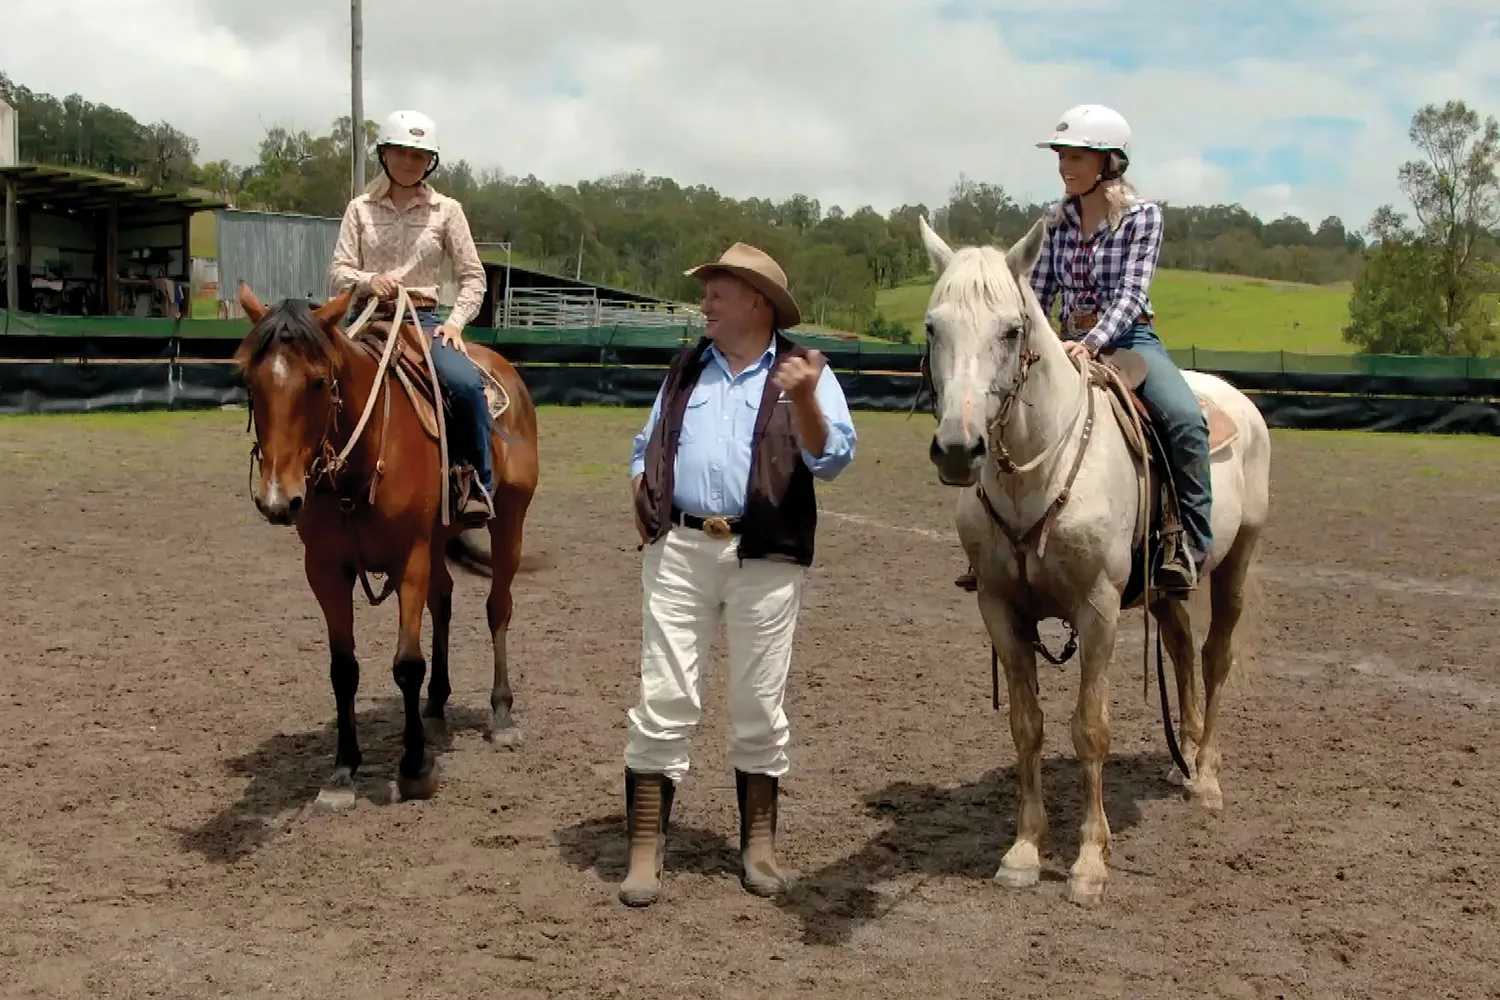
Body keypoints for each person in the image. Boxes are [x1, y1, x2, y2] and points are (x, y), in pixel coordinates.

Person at [618, 242, 857, 907]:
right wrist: (642, 488)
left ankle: (759, 845)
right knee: (663, 695)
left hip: (767, 553)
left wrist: (805, 400)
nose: (705, 306)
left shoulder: (804, 370)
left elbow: (832, 458)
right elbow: (646, 443)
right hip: (679, 548)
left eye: (716, 295)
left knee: (758, 702)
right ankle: (644, 851)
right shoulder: (686, 368)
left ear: (756, 301)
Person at [954, 103, 1211, 595]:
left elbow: (1132, 295)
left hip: (1130, 341)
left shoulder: (1143, 219)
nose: (1065, 167)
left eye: (1076, 157)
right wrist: (1035, 341)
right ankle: (987, 545)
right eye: (1062, 157)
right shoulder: (1054, 222)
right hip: (1064, 343)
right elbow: (1039, 293)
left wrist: (1089, 344)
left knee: (1184, 419)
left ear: (1109, 162)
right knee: (999, 410)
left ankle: (1188, 545)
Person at [329, 109, 494, 527]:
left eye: (419, 155)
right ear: (384, 154)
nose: (409, 161)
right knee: (310, 380)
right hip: (366, 320)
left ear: (430, 162)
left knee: (463, 382)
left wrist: (455, 323)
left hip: (422, 321)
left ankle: (477, 482)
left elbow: (473, 276)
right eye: (401, 152)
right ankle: (309, 476)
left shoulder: (447, 211)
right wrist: (369, 280)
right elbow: (339, 271)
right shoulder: (359, 210)